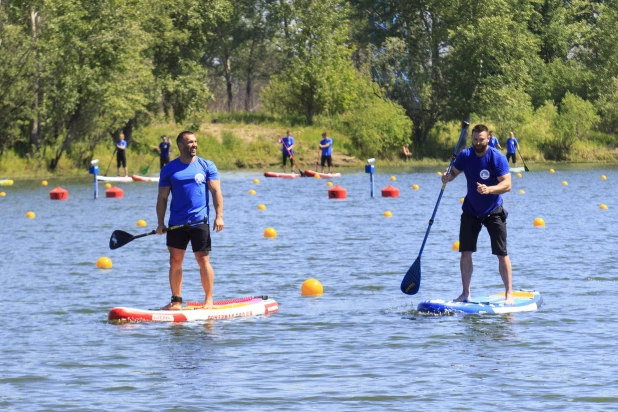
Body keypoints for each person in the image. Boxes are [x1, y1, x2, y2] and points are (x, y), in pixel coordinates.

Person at [441, 124, 514, 305]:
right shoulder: (466, 155)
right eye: (475, 140)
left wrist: (489, 189)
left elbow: (507, 185)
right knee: (465, 253)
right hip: (471, 210)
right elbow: (454, 173)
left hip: (493, 211)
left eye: (481, 139)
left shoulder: (497, 158)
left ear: (488, 138)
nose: (478, 143)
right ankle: (466, 293)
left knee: (501, 253)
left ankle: (509, 294)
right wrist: (446, 177)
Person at [156, 131, 224, 310]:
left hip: (199, 221)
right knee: (174, 260)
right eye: (189, 142)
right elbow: (162, 198)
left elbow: (216, 192)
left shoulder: (206, 165)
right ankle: (176, 300)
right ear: (180, 145)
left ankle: (209, 300)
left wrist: (219, 216)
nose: (194, 145)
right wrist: (160, 223)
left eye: (195, 142)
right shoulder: (169, 169)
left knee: (203, 260)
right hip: (176, 223)